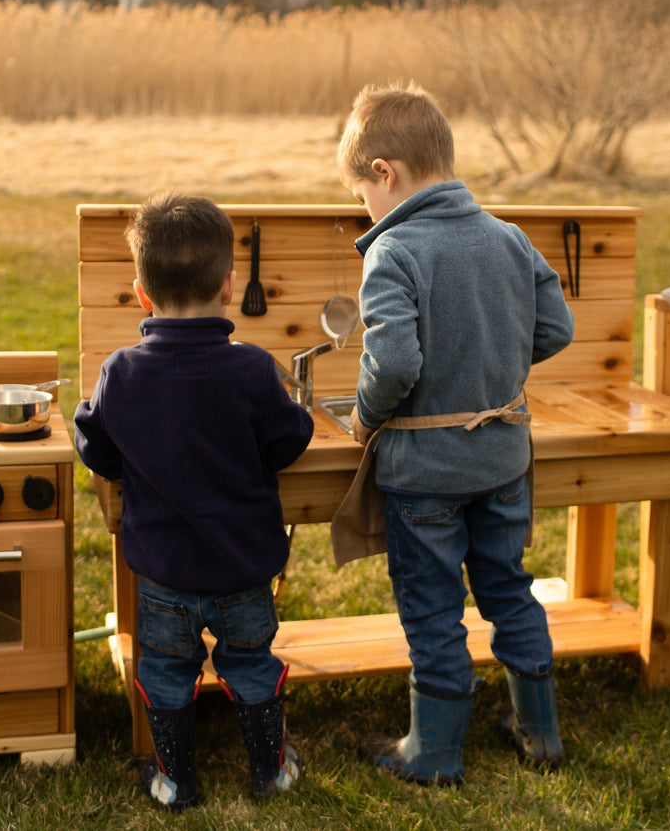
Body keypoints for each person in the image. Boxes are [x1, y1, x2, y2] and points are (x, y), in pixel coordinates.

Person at [340, 82, 576, 785]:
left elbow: (395, 363)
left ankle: (434, 751)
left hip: (427, 473)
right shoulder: (508, 236)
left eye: (362, 195)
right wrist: (492, 362)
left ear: (385, 173)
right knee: (509, 588)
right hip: (503, 461)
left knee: (434, 605)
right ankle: (539, 730)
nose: (367, 210)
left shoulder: (394, 252)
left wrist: (361, 417)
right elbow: (555, 328)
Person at [74, 192, 315, 811]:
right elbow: (289, 442)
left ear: (141, 293)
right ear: (230, 287)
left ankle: (175, 780)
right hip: (242, 572)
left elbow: (93, 442)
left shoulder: (119, 372)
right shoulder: (255, 371)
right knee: (253, 664)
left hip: (163, 577)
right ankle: (270, 772)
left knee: (166, 671)